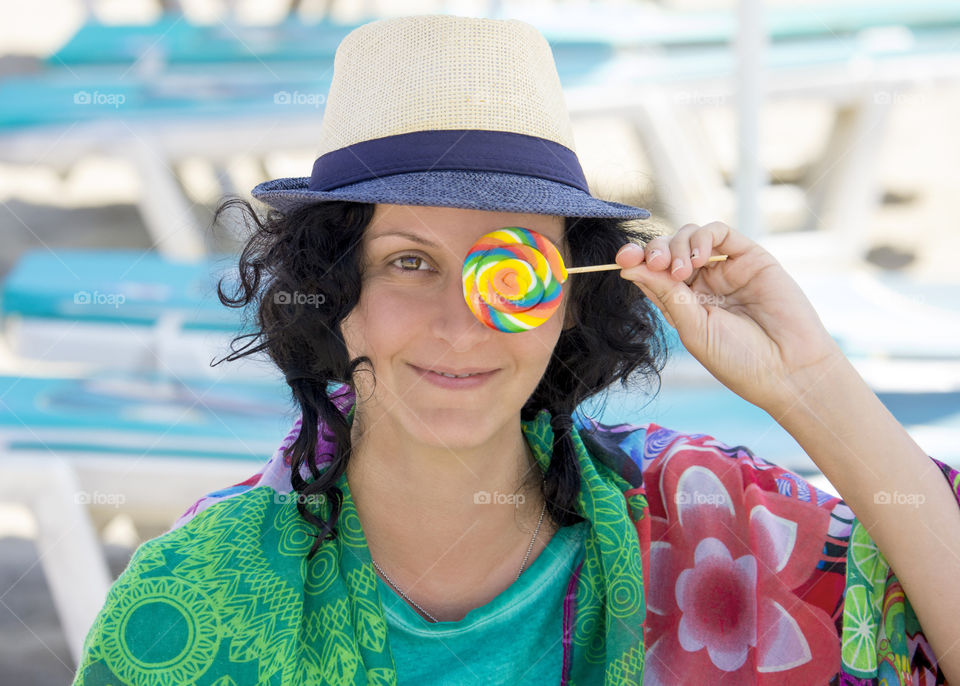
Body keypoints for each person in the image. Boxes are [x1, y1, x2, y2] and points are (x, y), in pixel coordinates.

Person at [71, 14, 960, 686]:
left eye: (510, 264)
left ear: (570, 297)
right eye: (408, 261)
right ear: (337, 296)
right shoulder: (194, 590)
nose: (460, 326)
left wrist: (810, 385)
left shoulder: (705, 521)